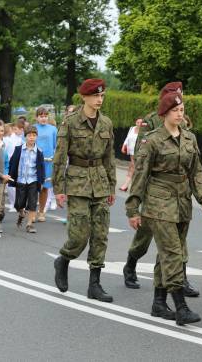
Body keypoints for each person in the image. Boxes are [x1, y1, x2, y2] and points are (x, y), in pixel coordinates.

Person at [125, 92, 202, 325]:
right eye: (175, 110)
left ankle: (159, 303)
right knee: (174, 253)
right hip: (158, 202)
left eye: (182, 110)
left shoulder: (189, 138)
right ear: (164, 114)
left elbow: (197, 173)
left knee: (169, 254)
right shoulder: (152, 140)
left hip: (182, 202)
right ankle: (180, 306)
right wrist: (133, 208)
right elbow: (140, 176)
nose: (180, 114)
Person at [52, 78, 116, 303]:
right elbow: (59, 158)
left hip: (99, 181)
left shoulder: (106, 123)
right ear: (85, 97)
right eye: (95, 96)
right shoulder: (70, 122)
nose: (99, 100)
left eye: (102, 96)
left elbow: (109, 157)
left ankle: (95, 285)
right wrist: (58, 188)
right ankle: (64, 259)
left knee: (100, 235)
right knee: (79, 235)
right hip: (77, 182)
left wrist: (111, 185)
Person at [8, 126, 45, 233]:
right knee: (19, 203)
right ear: (25, 137)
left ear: (37, 137)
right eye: (29, 135)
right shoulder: (18, 149)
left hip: (33, 180)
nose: (32, 138)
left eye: (34, 135)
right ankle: (21, 213)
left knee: (33, 202)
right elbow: (12, 163)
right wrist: (10, 176)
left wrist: (41, 181)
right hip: (21, 180)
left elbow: (41, 167)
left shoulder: (39, 151)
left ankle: (29, 224)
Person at [34, 107, 58, 222]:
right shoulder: (33, 128)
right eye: (41, 116)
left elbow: (55, 146)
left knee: (45, 188)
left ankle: (42, 211)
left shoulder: (53, 129)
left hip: (48, 162)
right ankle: (32, 211)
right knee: (33, 187)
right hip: (34, 161)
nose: (43, 118)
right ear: (36, 117)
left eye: (45, 116)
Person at [119, 117, 142, 192]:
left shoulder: (144, 131)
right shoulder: (132, 128)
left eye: (140, 123)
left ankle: (128, 185)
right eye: (138, 122)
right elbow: (127, 138)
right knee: (132, 167)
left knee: (134, 167)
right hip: (131, 151)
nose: (139, 124)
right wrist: (123, 146)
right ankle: (128, 185)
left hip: (139, 152)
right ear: (136, 122)